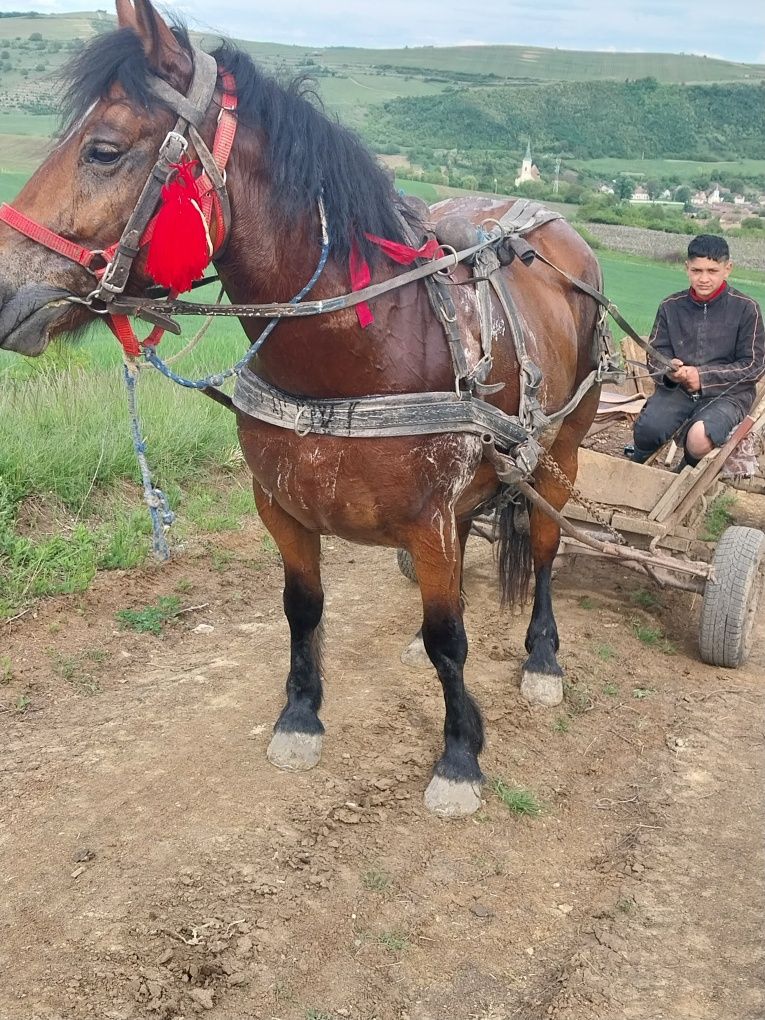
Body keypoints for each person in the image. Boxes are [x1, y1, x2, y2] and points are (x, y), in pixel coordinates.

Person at [629, 234, 765, 467]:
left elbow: (754, 365)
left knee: (699, 438)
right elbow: (655, 356)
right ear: (687, 268)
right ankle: (638, 461)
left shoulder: (746, 308)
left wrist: (702, 378)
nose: (703, 279)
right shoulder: (670, 306)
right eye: (697, 270)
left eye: (712, 271)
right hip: (677, 391)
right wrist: (670, 372)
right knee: (648, 429)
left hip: (728, 395)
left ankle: (685, 472)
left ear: (727, 268)